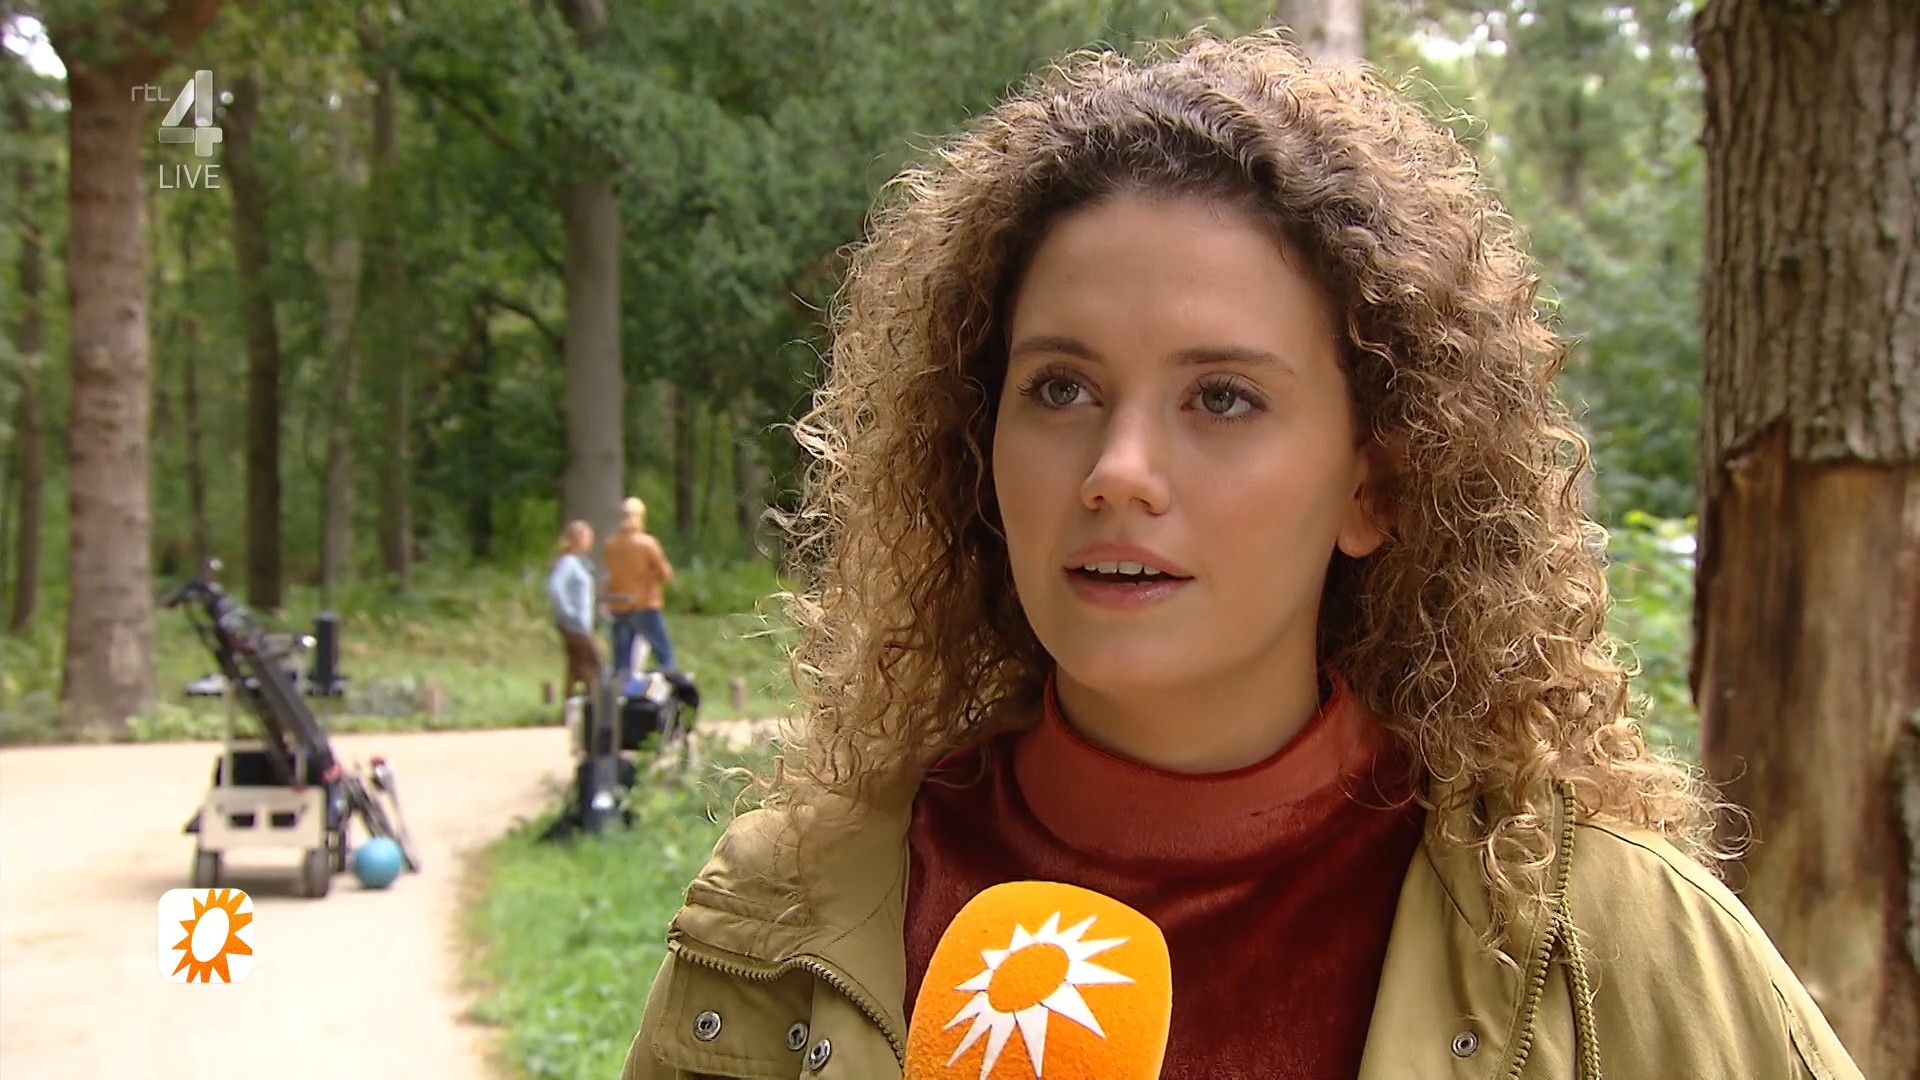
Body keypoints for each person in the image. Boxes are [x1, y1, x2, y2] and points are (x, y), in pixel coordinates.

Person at [619, 30, 1861, 1080]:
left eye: (1221, 398)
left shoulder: (1608, 948)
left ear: (1373, 484)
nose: (1118, 469)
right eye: (1060, 387)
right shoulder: (781, 919)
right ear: (975, 444)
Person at [603, 496, 678, 672]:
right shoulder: (647, 544)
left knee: (621, 659)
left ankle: (621, 686)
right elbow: (665, 574)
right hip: (645, 605)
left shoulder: (610, 544)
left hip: (619, 604)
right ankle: (668, 683)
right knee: (664, 653)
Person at [547, 519, 601, 699]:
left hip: (581, 623)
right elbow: (555, 586)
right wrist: (568, 611)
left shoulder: (580, 563)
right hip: (574, 624)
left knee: (576, 664)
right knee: (593, 663)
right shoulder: (568, 562)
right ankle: (594, 703)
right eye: (587, 537)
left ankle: (571, 702)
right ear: (577, 540)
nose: (590, 542)